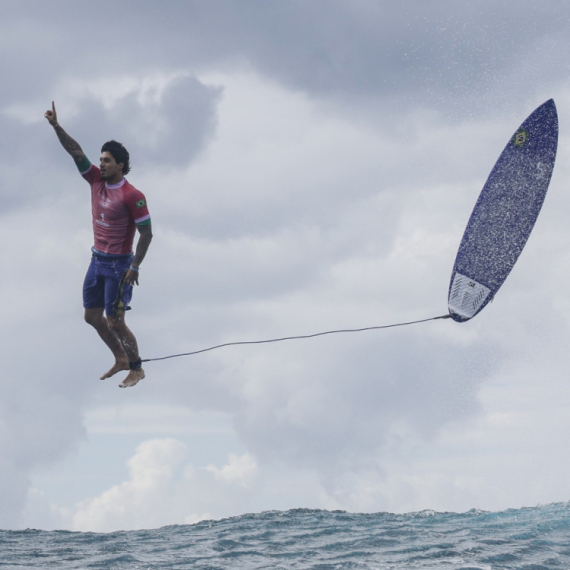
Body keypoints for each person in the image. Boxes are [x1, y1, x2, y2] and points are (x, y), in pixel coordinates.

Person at [45, 102, 153, 388]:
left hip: (119, 266)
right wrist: (57, 126)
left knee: (115, 320)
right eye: (100, 159)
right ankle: (120, 358)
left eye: (106, 160)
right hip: (97, 260)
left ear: (119, 164)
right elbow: (76, 152)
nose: (101, 164)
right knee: (92, 316)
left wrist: (135, 266)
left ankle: (137, 368)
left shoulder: (133, 195)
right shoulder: (95, 180)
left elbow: (147, 234)